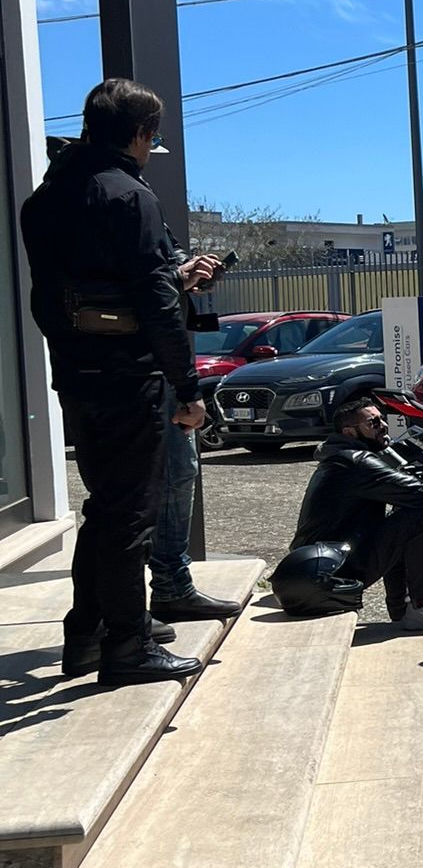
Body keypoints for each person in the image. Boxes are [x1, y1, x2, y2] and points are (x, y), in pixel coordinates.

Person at [19, 79, 206, 687]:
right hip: (130, 376)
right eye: (153, 135)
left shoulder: (45, 199)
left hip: (76, 374)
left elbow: (53, 296)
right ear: (140, 133)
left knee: (104, 508)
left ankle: (88, 633)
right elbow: (156, 302)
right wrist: (188, 387)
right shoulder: (128, 195)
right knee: (130, 516)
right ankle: (128, 647)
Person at [286, 398, 423, 631]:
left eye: (382, 419)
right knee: (419, 518)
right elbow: (420, 493)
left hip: (320, 563)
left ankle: (402, 609)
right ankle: (420, 606)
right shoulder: (356, 462)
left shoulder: (338, 457)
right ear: (350, 432)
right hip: (330, 572)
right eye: (373, 423)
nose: (383, 425)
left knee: (401, 519)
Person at [146, 241, 247, 625]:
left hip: (148, 366)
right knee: (170, 475)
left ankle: (163, 589)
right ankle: (161, 592)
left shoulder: (140, 216)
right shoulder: (122, 212)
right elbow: (143, 284)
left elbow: (160, 269)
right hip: (144, 366)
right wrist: (178, 276)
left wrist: (190, 271)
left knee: (176, 474)